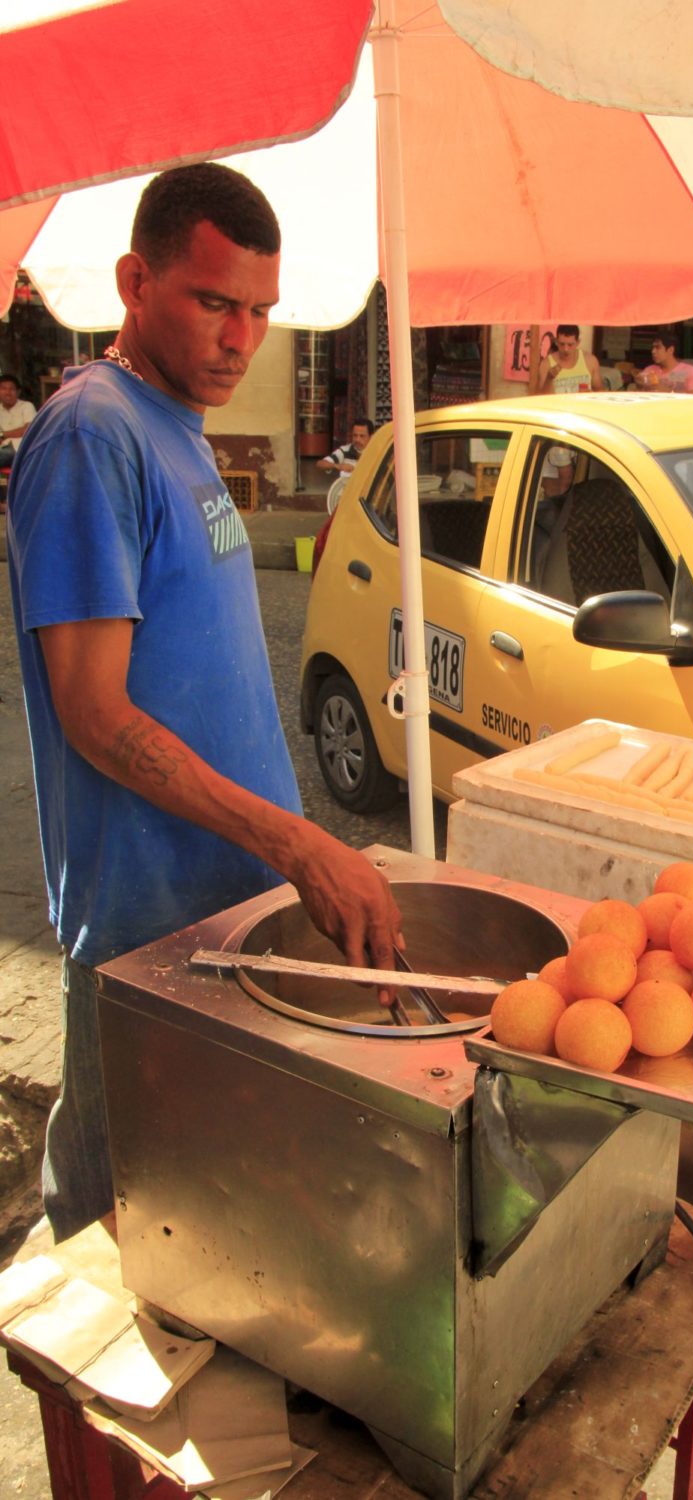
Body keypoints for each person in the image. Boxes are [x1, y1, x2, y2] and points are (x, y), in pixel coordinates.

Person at [6, 162, 403, 1243]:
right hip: (145, 937)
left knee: (209, 1232)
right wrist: (298, 841)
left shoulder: (177, 425)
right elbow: (94, 713)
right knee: (106, 1242)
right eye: (215, 302)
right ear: (137, 282)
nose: (242, 338)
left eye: (262, 312)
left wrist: (291, 852)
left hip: (227, 916)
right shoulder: (93, 435)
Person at [629, 329, 693, 393]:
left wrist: (668, 392)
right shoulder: (649, 370)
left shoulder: (688, 371)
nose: (653, 351)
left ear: (670, 350)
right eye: (653, 347)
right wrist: (639, 383)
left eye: (658, 347)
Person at [536, 324, 604, 395]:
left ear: (578, 343)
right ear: (556, 342)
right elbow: (539, 398)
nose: (566, 349)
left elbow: (600, 393)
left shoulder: (590, 361)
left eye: (570, 345)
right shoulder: (547, 364)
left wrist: (590, 394)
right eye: (562, 344)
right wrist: (549, 378)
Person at [0, 373, 37, 466]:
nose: (7, 392)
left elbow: (29, 429)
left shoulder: (26, 406)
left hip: (20, 449)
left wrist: (3, 435)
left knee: (5, 454)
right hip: (3, 447)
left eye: (11, 389)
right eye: (3, 389)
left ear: (18, 392)